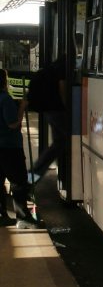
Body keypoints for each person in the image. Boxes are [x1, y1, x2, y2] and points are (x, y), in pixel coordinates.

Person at [0, 69, 42, 229]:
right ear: (4, 82)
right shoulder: (5, 99)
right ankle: (23, 217)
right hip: (9, 147)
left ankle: (2, 215)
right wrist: (22, 107)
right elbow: (13, 123)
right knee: (18, 182)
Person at [27, 56, 67, 185]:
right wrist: (67, 107)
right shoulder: (64, 66)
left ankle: (31, 178)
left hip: (49, 110)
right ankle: (31, 178)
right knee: (61, 143)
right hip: (56, 110)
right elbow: (62, 87)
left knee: (59, 143)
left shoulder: (52, 67)